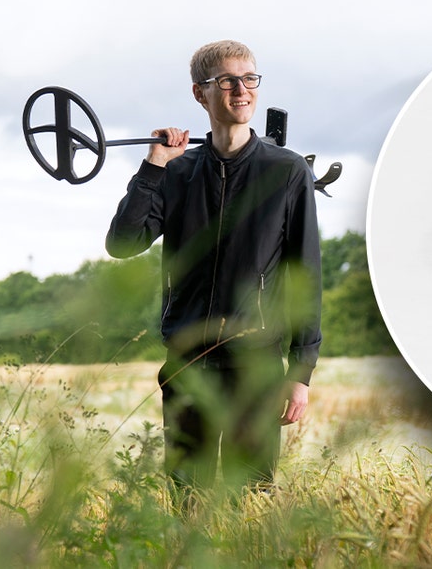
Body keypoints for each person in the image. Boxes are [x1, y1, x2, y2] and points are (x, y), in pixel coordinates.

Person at [105, 40, 323, 503]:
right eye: (227, 80)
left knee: (253, 497)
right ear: (200, 93)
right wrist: (153, 167)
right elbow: (123, 245)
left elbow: (305, 270)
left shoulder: (285, 171)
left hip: (257, 363)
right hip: (189, 363)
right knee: (189, 497)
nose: (241, 90)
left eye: (249, 79)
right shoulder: (177, 170)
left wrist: (301, 370)